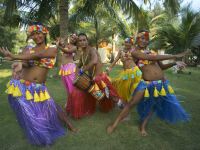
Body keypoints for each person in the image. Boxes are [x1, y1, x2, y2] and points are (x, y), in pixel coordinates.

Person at [107, 30, 190, 135]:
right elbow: (151, 58)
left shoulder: (152, 52)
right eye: (142, 38)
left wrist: (174, 63)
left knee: (152, 106)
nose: (144, 41)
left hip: (160, 84)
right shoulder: (134, 51)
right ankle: (114, 124)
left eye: (146, 39)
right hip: (145, 83)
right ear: (137, 39)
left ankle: (143, 126)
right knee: (131, 103)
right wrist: (174, 56)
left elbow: (162, 66)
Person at [0, 23, 66, 146]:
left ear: (44, 33)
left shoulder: (52, 48)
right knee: (31, 118)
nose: (36, 36)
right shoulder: (28, 49)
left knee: (44, 113)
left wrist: (14, 56)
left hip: (38, 88)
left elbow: (39, 56)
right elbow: (26, 63)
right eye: (33, 34)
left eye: (39, 33)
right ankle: (45, 141)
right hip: (23, 86)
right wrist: (18, 65)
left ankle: (47, 137)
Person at [66, 33, 120, 119]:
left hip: (100, 79)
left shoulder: (92, 50)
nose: (83, 42)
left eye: (84, 40)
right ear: (78, 43)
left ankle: (120, 104)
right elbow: (78, 66)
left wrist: (83, 70)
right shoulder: (83, 54)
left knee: (109, 96)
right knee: (98, 96)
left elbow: (94, 61)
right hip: (92, 79)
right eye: (80, 40)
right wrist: (75, 77)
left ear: (87, 41)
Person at [106, 37, 142, 108]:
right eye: (126, 42)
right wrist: (109, 68)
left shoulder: (134, 50)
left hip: (134, 72)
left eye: (129, 42)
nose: (127, 43)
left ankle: (125, 104)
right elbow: (116, 60)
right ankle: (121, 102)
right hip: (126, 72)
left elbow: (140, 58)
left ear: (132, 43)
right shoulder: (121, 50)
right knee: (117, 85)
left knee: (132, 89)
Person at [56, 34, 77, 106]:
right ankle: (69, 101)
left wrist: (58, 46)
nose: (73, 39)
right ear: (69, 37)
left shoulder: (75, 47)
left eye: (75, 38)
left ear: (76, 40)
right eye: (72, 37)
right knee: (67, 88)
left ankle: (74, 103)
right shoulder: (65, 45)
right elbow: (63, 48)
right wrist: (59, 42)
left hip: (70, 69)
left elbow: (67, 52)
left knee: (72, 87)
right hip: (63, 69)